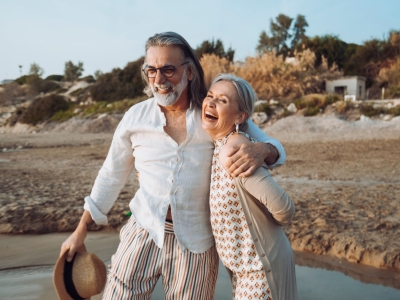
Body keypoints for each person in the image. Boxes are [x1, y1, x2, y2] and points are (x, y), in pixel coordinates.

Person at [60, 32, 286, 300]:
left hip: (196, 243)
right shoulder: (136, 117)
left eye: (168, 69)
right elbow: (111, 175)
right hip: (142, 230)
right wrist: (80, 230)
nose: (159, 80)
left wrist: (263, 150)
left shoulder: (212, 115)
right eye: (151, 70)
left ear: (189, 72)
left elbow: (276, 149)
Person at [202, 73, 297, 300]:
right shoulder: (219, 146)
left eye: (223, 100)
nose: (211, 103)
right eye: (209, 96)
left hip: (261, 268)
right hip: (243, 270)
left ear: (240, 116)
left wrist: (268, 229)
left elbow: (285, 209)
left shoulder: (234, 149)